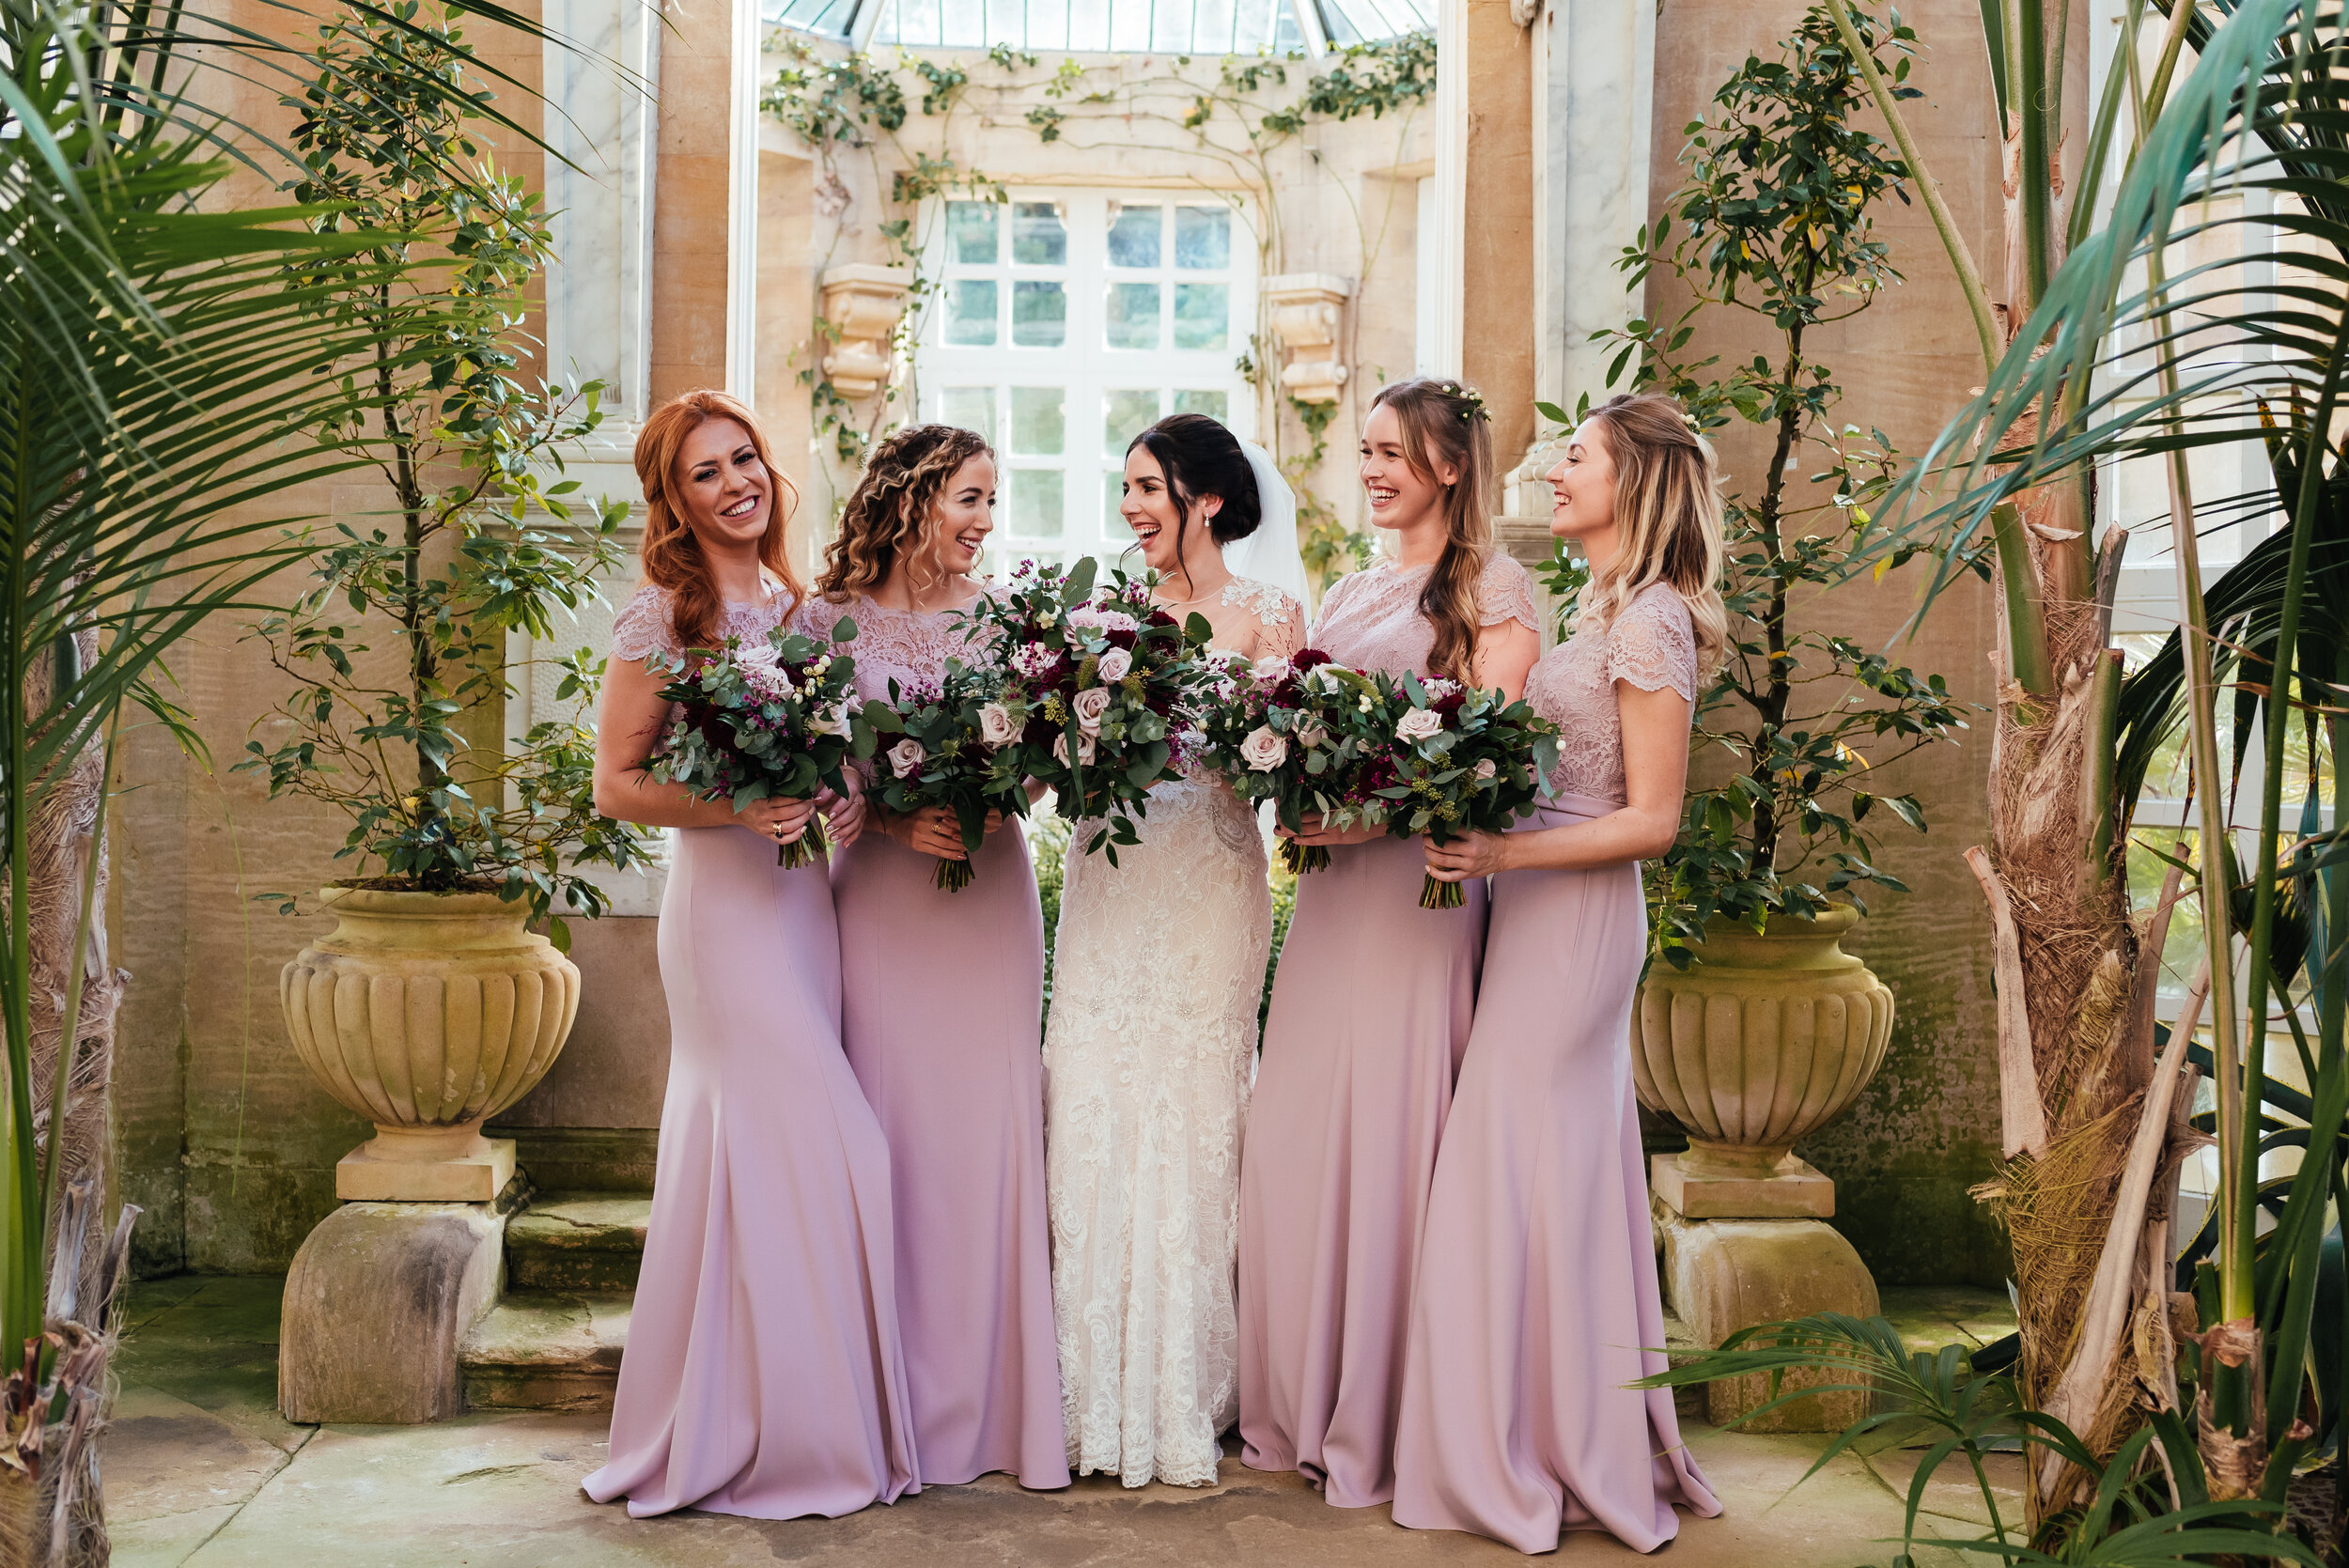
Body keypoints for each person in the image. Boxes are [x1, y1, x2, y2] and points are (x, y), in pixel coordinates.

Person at [1392, 391, 1725, 1553]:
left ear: (1629, 480)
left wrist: (1501, 848)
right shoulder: (1604, 606)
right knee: (1543, 1171)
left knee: (1515, 1162)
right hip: (1534, 904)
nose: (1552, 469)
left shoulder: (1651, 625)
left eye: (1574, 456)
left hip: (1577, 912)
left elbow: (1654, 820)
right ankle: (1536, 1425)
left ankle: (1530, 1441)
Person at [582, 389, 916, 1519]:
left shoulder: (803, 612)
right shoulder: (661, 621)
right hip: (726, 919)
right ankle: (784, 1435)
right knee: (834, 1148)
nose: (736, 485)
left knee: (768, 1164)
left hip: (805, 908)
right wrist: (741, 809)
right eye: (706, 474)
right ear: (674, 503)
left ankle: (778, 1417)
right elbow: (616, 784)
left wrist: (844, 800)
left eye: (744, 461)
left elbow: (832, 763)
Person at [1235, 378, 1542, 1509]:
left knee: (1391, 1133)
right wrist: (1294, 797)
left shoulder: (1494, 587)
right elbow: (1304, 730)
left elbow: (1488, 761)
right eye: (1362, 450)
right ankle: (1298, 1393)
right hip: (1328, 898)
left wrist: (1365, 814)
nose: (1369, 470)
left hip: (1418, 901)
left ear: (1449, 466)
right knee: (1297, 1133)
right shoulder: (1355, 584)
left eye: (1391, 453)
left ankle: (1383, 1401)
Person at [801, 424, 1070, 1492]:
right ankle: (887, 1395)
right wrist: (884, 810)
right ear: (911, 498)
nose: (983, 523)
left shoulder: (1005, 623)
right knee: (888, 1132)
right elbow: (814, 762)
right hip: (878, 901)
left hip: (988, 899)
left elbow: (1044, 766)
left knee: (986, 1137)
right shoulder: (825, 622)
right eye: (969, 498)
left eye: (993, 503)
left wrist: (1000, 793)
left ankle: (995, 1409)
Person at [1044, 413, 1304, 1488]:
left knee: (1192, 1107)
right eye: (1125, 488)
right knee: (1094, 1100)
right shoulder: (1104, 618)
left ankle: (1186, 1385)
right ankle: (1084, 1383)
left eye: (1147, 486)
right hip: (1109, 882)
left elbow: (1288, 767)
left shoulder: (1270, 612)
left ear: (1204, 497)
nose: (1131, 507)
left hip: (1207, 885)